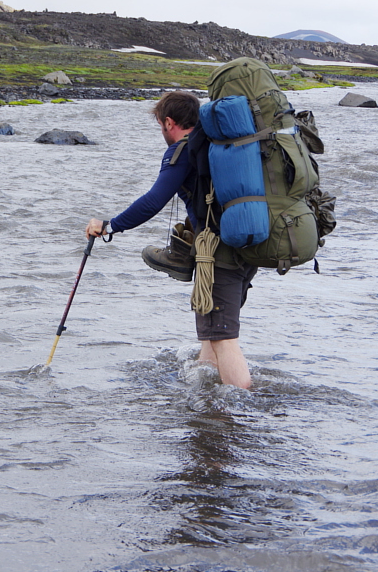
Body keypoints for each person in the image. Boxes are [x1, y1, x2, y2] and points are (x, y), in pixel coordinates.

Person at [85, 91, 255, 389]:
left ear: (168, 122)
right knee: (212, 332)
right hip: (245, 242)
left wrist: (110, 225)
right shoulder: (216, 145)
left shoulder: (184, 151)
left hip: (219, 251)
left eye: (160, 126)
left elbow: (154, 201)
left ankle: (239, 417)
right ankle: (208, 400)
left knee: (224, 337)